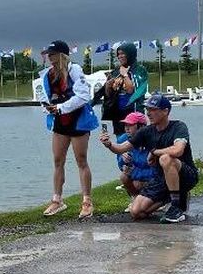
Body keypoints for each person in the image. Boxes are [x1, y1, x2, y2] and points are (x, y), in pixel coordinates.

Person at [100, 93, 198, 224]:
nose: (149, 113)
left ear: (165, 111)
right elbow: (122, 148)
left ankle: (176, 206)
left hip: (185, 175)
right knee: (136, 212)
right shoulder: (146, 131)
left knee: (166, 158)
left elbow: (178, 150)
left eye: (153, 110)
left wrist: (155, 152)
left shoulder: (178, 127)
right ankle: (171, 197)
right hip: (161, 178)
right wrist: (109, 144)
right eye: (147, 110)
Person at [34, 41, 99, 218]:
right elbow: (45, 96)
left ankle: (87, 201)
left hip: (78, 121)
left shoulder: (74, 70)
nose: (49, 57)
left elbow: (84, 96)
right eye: (48, 54)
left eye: (52, 54)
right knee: (57, 160)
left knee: (81, 160)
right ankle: (57, 200)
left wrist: (62, 107)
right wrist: (48, 107)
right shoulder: (47, 74)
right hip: (60, 122)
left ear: (61, 55)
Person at [100, 42, 149, 135]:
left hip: (133, 112)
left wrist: (125, 75)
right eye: (118, 54)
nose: (120, 56)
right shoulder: (115, 71)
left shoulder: (140, 70)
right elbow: (108, 94)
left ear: (130, 53)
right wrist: (108, 86)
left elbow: (133, 91)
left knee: (134, 143)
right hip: (118, 114)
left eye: (123, 53)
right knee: (120, 142)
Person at [114, 111, 155, 198]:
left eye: (130, 125)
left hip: (152, 176)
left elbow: (152, 165)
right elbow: (120, 165)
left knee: (142, 183)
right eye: (126, 125)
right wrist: (123, 160)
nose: (127, 128)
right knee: (124, 176)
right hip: (138, 175)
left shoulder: (153, 138)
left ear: (141, 126)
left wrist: (138, 175)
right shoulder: (122, 140)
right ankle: (135, 198)